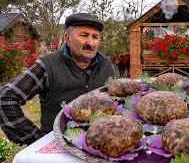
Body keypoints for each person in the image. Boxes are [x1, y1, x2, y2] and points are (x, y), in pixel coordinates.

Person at [0, 13, 115, 145]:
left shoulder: (106, 65)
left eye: (95, 37)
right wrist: (37, 140)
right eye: (84, 35)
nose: (90, 43)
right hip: (57, 149)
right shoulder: (47, 66)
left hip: (99, 146)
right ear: (67, 38)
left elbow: (116, 105)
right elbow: (5, 98)